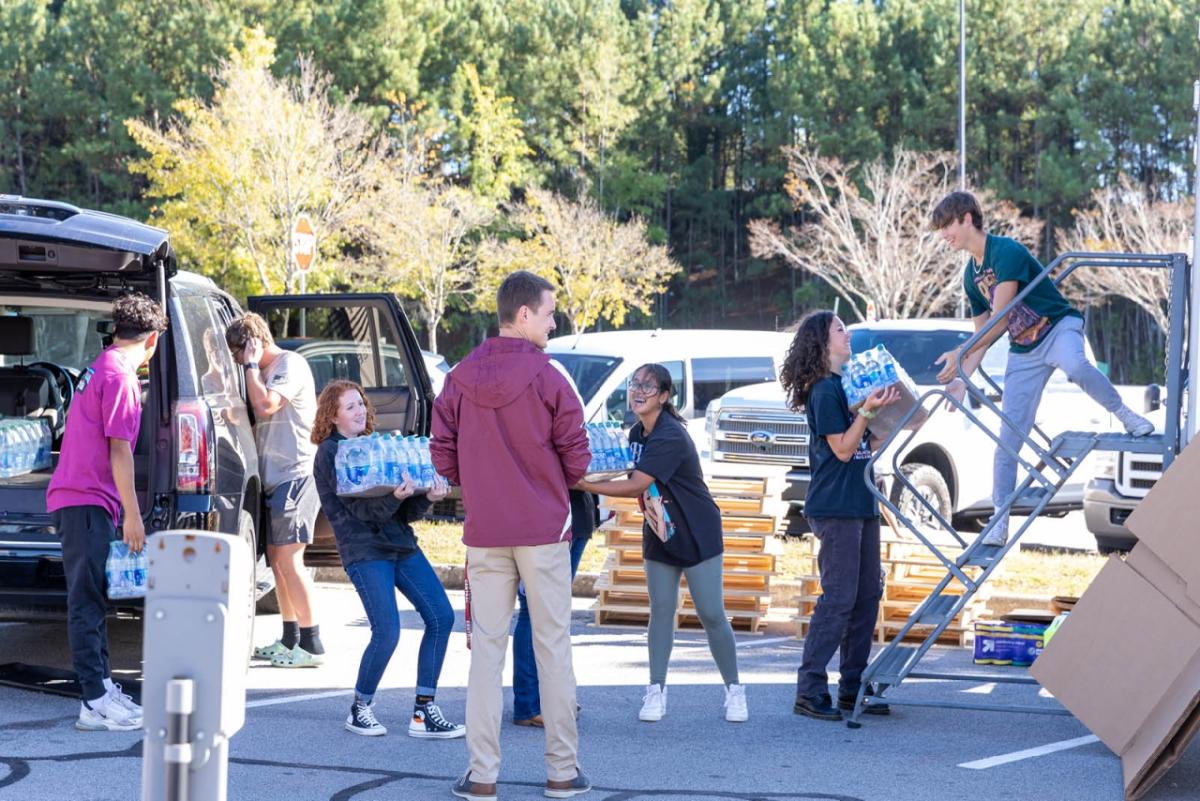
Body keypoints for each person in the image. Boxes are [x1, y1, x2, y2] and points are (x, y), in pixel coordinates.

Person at [432, 270, 592, 801]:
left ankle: (482, 776)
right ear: (523, 315)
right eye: (549, 313)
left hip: (485, 531)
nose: (554, 322)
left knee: (485, 655)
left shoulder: (458, 376)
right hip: (544, 529)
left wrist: (476, 479)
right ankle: (561, 773)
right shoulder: (551, 377)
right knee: (553, 648)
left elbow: (443, 452)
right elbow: (577, 455)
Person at [930, 191, 1154, 547]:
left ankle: (1126, 415)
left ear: (967, 218)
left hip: (1057, 326)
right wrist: (962, 378)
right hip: (1025, 350)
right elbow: (982, 337)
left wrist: (959, 353)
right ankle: (999, 522)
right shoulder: (970, 277)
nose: (943, 235)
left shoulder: (1005, 252)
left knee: (1076, 365)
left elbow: (1000, 320)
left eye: (946, 226)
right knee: (1006, 443)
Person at [578, 364, 748, 725]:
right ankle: (656, 688)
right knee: (661, 610)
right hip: (660, 528)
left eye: (649, 387)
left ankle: (734, 689)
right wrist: (591, 474)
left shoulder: (669, 435)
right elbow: (627, 472)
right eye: (634, 384)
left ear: (666, 396)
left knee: (711, 613)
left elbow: (636, 484)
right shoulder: (639, 431)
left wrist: (584, 485)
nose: (638, 391)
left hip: (696, 529)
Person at [310, 379, 464, 739]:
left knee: (441, 616)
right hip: (364, 550)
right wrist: (396, 498)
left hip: (400, 544)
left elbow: (404, 510)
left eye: (361, 404)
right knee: (388, 631)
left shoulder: (375, 446)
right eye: (350, 407)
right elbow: (361, 512)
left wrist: (428, 497)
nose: (360, 410)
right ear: (332, 416)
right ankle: (360, 707)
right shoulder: (332, 453)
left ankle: (424, 710)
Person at [47, 292, 167, 731]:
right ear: (152, 340)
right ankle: (94, 700)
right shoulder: (120, 376)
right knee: (86, 601)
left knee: (93, 598)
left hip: (82, 498)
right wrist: (133, 515)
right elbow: (120, 451)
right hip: (84, 499)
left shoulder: (101, 365)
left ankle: (100, 688)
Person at [779, 310, 898, 722]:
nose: (848, 335)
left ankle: (853, 686)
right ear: (822, 341)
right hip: (835, 506)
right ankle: (810, 689)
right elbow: (843, 450)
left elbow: (867, 444)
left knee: (867, 596)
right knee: (840, 598)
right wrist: (864, 412)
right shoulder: (824, 391)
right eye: (840, 329)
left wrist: (885, 413)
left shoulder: (846, 386)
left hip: (861, 503)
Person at [225, 312, 324, 667]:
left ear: (252, 344)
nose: (237, 362)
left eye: (239, 354)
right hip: (273, 478)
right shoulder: (261, 373)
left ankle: (312, 645)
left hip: (295, 474)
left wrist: (250, 366)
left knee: (289, 560)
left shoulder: (289, 365)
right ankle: (290, 637)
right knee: (276, 561)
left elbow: (267, 405)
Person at [511, 489, 594, 728]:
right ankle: (530, 705)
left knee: (545, 613)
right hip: (553, 521)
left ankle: (544, 699)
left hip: (567, 517)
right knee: (536, 612)